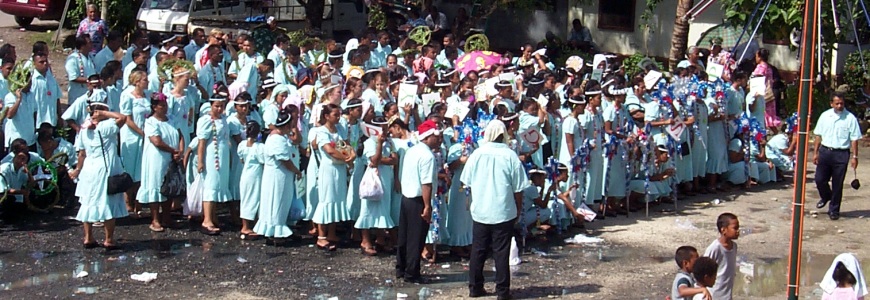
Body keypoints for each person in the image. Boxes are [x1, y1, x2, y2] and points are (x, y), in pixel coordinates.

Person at [461, 120, 528, 299]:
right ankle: (502, 291)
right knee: (501, 252)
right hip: (503, 210)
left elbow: (465, 180)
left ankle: (475, 287)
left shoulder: (477, 154)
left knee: (478, 250)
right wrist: (518, 208)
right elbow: (519, 188)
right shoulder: (510, 156)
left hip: (481, 210)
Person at [69, 102, 128, 250]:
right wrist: (106, 114)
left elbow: (82, 153)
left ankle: (88, 237)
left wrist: (77, 169)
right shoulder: (106, 127)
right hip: (105, 168)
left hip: (89, 168)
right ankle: (108, 239)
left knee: (88, 201)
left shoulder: (83, 129)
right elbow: (122, 118)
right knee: (108, 201)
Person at [396, 120, 440, 284]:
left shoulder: (411, 151)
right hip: (418, 200)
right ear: (428, 137)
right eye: (436, 136)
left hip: (406, 198)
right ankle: (412, 273)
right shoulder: (427, 156)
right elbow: (426, 183)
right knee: (416, 238)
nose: (438, 139)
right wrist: (427, 206)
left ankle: (401, 268)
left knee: (404, 236)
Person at [136, 92, 184, 232]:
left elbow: (180, 135)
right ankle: (155, 219)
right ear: (154, 107)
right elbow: (156, 141)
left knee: (168, 184)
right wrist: (172, 151)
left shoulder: (172, 119)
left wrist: (180, 150)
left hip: (171, 157)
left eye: (165, 105)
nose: (165, 107)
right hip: (157, 158)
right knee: (156, 185)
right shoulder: (150, 121)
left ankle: (167, 217)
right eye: (161, 105)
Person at [254, 111, 302, 241]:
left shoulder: (281, 137)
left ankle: (277, 229)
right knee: (276, 201)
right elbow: (284, 160)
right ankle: (275, 231)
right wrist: (297, 171)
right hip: (277, 176)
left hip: (282, 175)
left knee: (280, 201)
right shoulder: (276, 139)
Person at [814, 92, 862, 220]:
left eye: (841, 103)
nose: (840, 106)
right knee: (820, 179)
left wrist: (855, 157)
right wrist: (815, 152)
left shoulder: (850, 118)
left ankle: (834, 210)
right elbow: (818, 135)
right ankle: (826, 196)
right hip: (825, 152)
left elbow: (854, 139)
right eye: (837, 103)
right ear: (831, 104)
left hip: (841, 154)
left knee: (837, 184)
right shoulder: (825, 116)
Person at [313, 104, 354, 250]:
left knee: (337, 198)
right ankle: (321, 236)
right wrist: (346, 158)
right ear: (326, 116)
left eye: (339, 114)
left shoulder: (340, 129)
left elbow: (344, 145)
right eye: (335, 115)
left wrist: (351, 154)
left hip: (340, 168)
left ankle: (331, 232)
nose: (338, 117)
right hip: (328, 168)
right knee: (327, 199)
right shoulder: (321, 132)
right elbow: (329, 150)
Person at [355, 117, 397, 256]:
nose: (385, 131)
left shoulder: (389, 142)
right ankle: (365, 240)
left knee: (384, 207)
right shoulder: (369, 142)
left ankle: (380, 238)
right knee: (368, 207)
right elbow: (374, 160)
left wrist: (386, 160)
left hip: (386, 176)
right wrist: (379, 146)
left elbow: (395, 159)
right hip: (373, 176)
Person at [196, 95, 235, 235]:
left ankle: (213, 216)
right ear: (211, 106)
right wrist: (200, 161)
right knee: (211, 186)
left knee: (219, 185)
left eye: (221, 106)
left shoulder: (224, 120)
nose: (219, 109)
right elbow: (201, 143)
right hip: (211, 156)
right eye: (216, 106)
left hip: (223, 156)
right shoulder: (206, 121)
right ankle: (206, 219)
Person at [120, 70, 150, 217]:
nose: (147, 81)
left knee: (141, 168)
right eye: (145, 79)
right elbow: (127, 118)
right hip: (131, 136)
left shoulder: (147, 95)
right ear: (137, 81)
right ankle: (127, 201)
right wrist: (141, 132)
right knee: (130, 167)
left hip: (145, 135)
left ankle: (139, 201)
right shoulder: (127, 95)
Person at [703, 213, 740, 300]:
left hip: (727, 295)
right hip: (714, 295)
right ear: (723, 230)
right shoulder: (715, 248)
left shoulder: (734, 246)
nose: (738, 231)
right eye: (735, 228)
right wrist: (702, 289)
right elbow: (702, 270)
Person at [238, 121, 264, 239]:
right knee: (254, 199)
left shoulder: (242, 145)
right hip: (255, 175)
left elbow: (241, 160)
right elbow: (263, 161)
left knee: (246, 199)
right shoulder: (259, 147)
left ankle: (247, 225)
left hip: (245, 174)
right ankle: (247, 227)